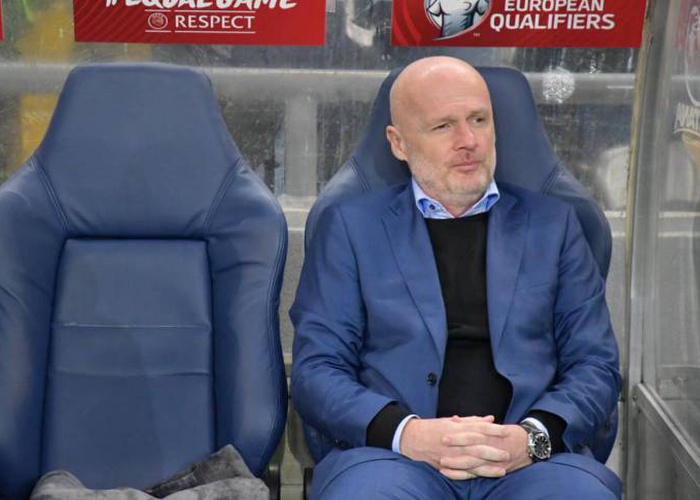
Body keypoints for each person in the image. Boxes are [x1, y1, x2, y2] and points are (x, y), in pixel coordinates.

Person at [291, 56, 622, 499]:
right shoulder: (351, 228)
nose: (468, 141)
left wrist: (531, 438)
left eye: (479, 120)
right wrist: (407, 433)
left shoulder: (555, 225)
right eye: (443, 126)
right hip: (394, 459)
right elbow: (317, 370)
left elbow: (595, 365)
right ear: (398, 143)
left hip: (530, 460)